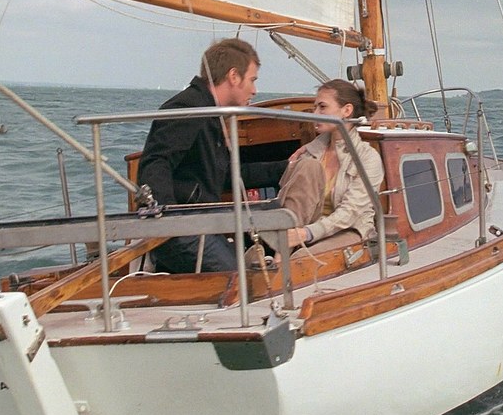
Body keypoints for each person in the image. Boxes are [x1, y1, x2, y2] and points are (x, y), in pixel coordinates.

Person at [138, 38, 287, 273]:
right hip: (183, 229)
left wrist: (286, 166)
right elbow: (156, 163)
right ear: (234, 76)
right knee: (240, 280)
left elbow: (227, 174)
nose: (255, 90)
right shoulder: (190, 108)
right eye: (252, 80)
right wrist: (168, 222)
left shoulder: (211, 113)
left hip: (200, 224)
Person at [275, 79, 384, 255]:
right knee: (308, 165)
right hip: (302, 232)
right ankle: (282, 254)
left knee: (301, 259)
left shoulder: (368, 158)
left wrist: (307, 233)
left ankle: (284, 256)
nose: (315, 113)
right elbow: (288, 199)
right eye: (315, 107)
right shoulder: (309, 154)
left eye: (322, 107)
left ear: (346, 110)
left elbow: (350, 212)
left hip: (347, 231)